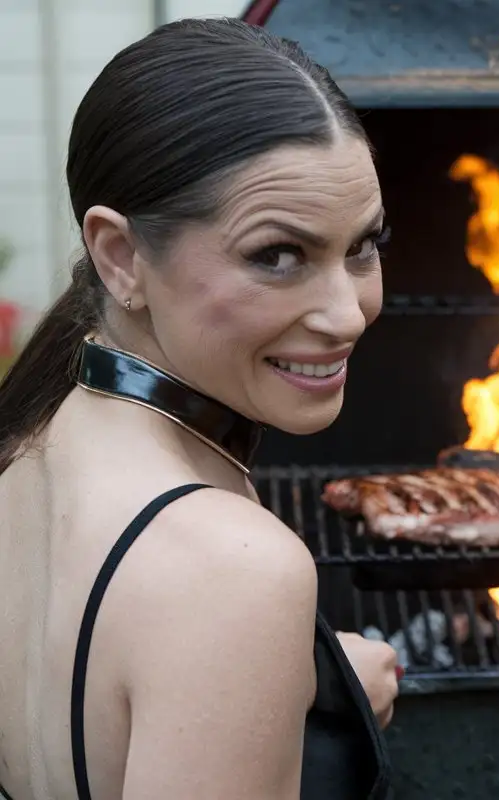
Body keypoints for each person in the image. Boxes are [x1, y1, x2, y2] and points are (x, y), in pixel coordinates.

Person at [0, 18, 402, 800]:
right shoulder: (233, 572)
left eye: (361, 246)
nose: (347, 313)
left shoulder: (30, 440)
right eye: (277, 256)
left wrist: (297, 689)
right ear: (121, 256)